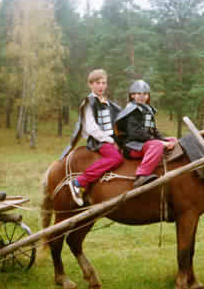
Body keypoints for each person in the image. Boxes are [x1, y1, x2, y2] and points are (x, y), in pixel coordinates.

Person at [60, 69, 124, 206]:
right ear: (90, 84)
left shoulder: (107, 103)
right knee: (116, 158)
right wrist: (111, 141)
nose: (101, 86)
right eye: (97, 83)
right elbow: (92, 128)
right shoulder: (89, 102)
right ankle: (79, 182)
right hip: (98, 141)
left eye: (103, 83)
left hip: (111, 139)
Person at [115, 80, 177, 187]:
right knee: (157, 145)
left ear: (148, 96)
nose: (142, 96)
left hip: (145, 143)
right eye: (138, 93)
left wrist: (164, 140)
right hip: (133, 146)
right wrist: (160, 142)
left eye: (145, 94)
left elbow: (153, 130)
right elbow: (136, 134)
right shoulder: (132, 111)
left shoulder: (147, 110)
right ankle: (142, 175)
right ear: (132, 95)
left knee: (173, 139)